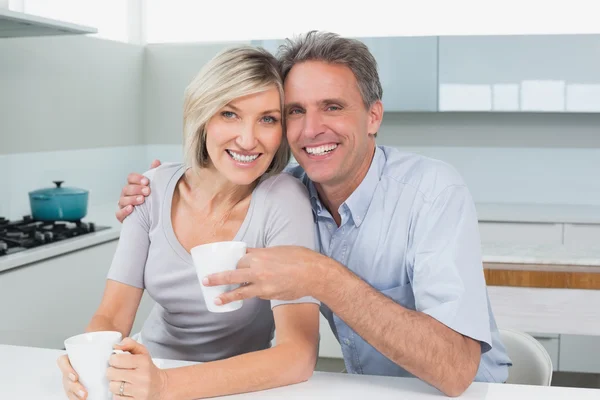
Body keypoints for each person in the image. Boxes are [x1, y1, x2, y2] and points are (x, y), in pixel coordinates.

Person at [117, 31, 512, 397]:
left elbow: (457, 369)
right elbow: (219, 173)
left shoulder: (433, 193)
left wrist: (322, 277)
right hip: (371, 390)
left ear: (373, 116)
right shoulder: (287, 195)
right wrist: (159, 185)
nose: (311, 130)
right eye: (294, 112)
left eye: (332, 107)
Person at [58, 46, 320, 400]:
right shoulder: (151, 190)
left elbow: (297, 357)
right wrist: (87, 358)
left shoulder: (283, 200)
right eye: (229, 114)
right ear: (202, 116)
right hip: (147, 374)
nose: (247, 139)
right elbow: (111, 317)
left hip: (238, 387)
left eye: (268, 119)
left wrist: (166, 387)